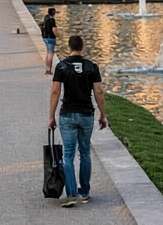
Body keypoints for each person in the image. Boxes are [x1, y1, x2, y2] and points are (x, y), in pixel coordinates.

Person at [48, 35, 108, 208]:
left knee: (68, 154)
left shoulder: (62, 66)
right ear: (82, 47)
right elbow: (98, 91)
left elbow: (55, 91)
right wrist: (103, 115)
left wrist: (51, 116)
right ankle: (85, 191)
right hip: (86, 114)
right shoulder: (91, 66)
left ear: (69, 47)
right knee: (85, 152)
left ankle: (72, 194)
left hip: (67, 114)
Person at [40, 7, 59, 74]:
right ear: (53, 13)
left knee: (48, 53)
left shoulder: (46, 18)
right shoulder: (52, 20)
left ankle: (47, 68)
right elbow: (54, 29)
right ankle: (49, 70)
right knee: (51, 53)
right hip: (51, 38)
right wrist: (58, 35)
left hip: (45, 37)